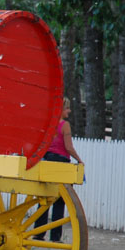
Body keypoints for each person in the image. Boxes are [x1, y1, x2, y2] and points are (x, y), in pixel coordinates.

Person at [34, 97, 84, 242]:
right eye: (67, 108)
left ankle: (38, 233)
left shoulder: (49, 124)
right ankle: (55, 236)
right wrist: (79, 160)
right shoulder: (65, 125)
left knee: (44, 197)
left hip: (47, 161)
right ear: (61, 109)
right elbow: (68, 147)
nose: (69, 111)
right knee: (60, 200)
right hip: (61, 162)